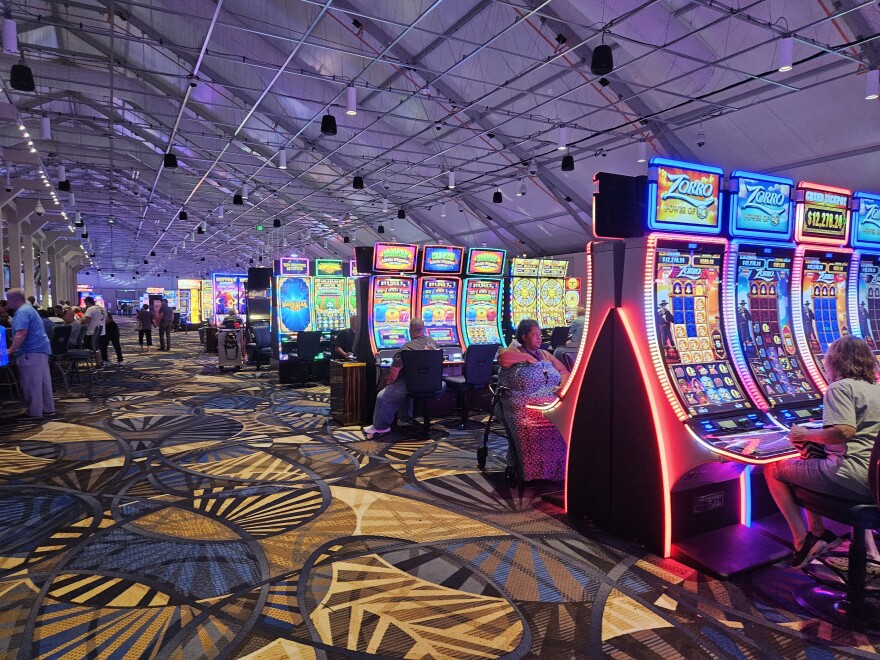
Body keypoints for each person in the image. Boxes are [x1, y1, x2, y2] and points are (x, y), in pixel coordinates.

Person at [765, 335, 880, 568]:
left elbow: (843, 432)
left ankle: (802, 540)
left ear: (834, 362)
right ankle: (820, 532)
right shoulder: (876, 388)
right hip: (875, 480)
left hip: (852, 475)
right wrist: (813, 438)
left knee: (773, 469)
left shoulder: (840, 387)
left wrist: (803, 433)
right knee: (811, 453)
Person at [496, 319, 571, 481]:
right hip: (522, 406)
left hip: (550, 404)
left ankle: (556, 473)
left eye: (540, 335)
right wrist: (526, 358)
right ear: (523, 336)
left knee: (562, 425)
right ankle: (532, 474)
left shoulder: (544, 354)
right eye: (535, 335)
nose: (539, 338)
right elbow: (502, 359)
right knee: (530, 428)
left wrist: (563, 387)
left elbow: (564, 371)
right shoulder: (513, 350)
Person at [363, 318, 438, 439]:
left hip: (411, 383)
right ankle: (405, 419)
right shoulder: (432, 342)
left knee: (383, 397)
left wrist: (388, 384)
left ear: (410, 330)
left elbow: (394, 371)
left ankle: (380, 427)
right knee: (403, 390)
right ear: (423, 329)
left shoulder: (406, 348)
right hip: (431, 383)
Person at [5, 288, 54, 419]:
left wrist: (10, 350)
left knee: (31, 383)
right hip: (41, 349)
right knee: (43, 382)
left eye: (8, 299)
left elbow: (21, 333)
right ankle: (47, 408)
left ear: (14, 298)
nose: (7, 303)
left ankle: (34, 412)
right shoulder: (30, 309)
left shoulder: (22, 312)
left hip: (30, 350)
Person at [82, 296, 107, 367]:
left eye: (85, 303)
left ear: (87, 302)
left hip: (92, 332)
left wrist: (81, 320)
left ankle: (98, 363)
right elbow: (107, 319)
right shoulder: (103, 308)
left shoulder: (90, 309)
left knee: (94, 348)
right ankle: (100, 362)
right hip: (102, 332)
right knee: (98, 348)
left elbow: (86, 320)